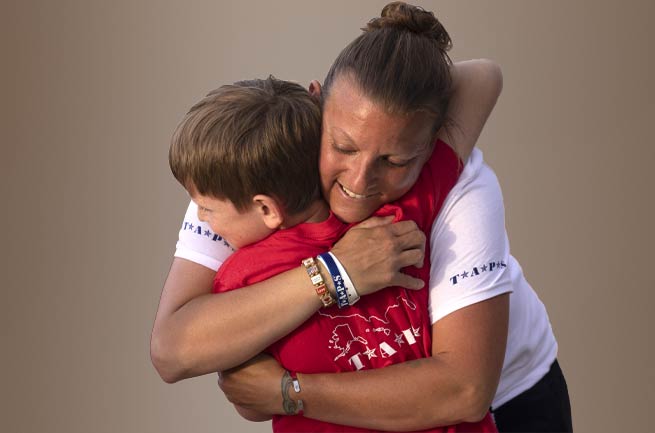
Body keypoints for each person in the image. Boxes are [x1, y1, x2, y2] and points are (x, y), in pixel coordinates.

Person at [151, 2, 572, 432]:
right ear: (317, 106)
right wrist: (338, 273)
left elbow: (463, 391)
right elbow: (178, 351)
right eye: (345, 146)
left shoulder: (457, 191)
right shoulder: (240, 180)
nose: (360, 179)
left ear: (429, 149)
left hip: (510, 398)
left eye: (395, 159)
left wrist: (290, 391)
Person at [166, 75, 497, 432]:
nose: (201, 219)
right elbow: (483, 77)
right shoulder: (400, 213)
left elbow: (250, 401)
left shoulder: (240, 280)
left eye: (206, 208)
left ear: (266, 209)